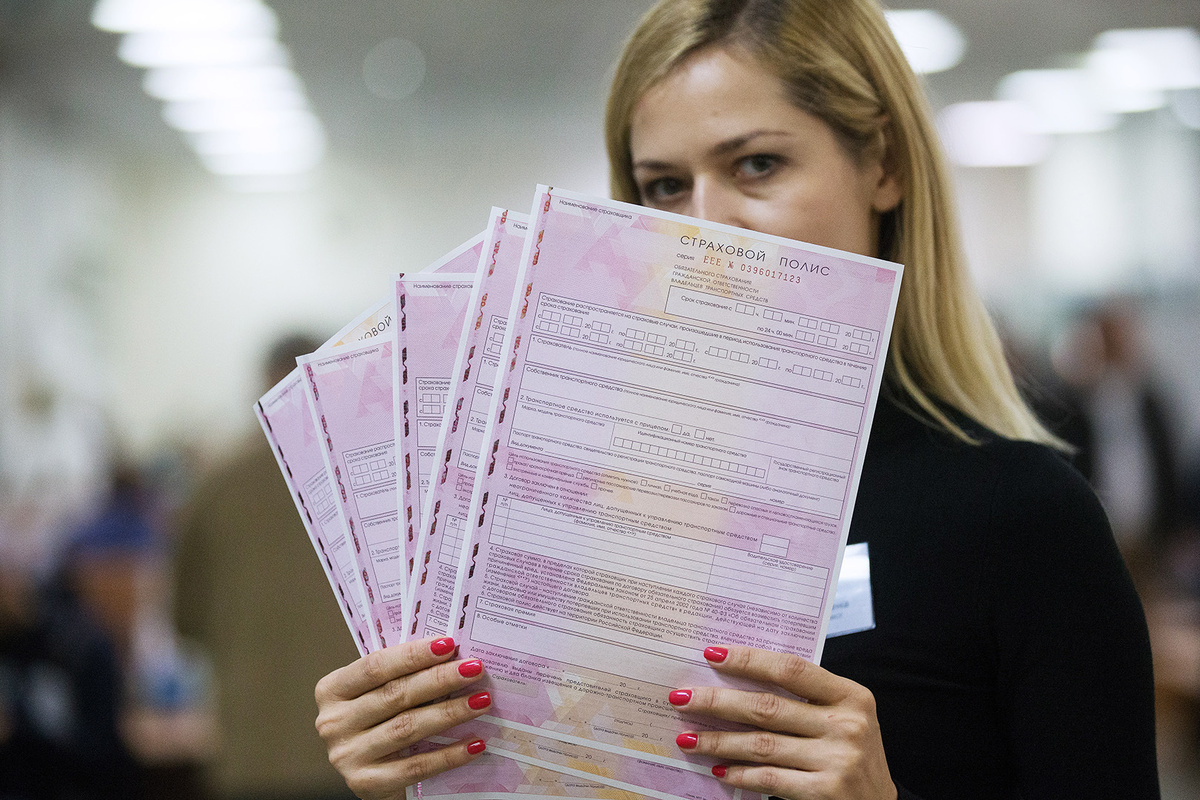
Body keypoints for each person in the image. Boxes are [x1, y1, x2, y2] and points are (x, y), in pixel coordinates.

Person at [312, 1, 1159, 798]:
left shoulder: (1022, 517)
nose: (704, 226)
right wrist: (420, 761)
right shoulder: (565, 512)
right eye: (663, 186)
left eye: (757, 165)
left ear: (885, 166)